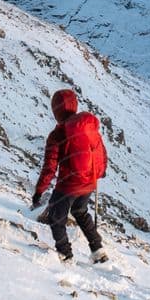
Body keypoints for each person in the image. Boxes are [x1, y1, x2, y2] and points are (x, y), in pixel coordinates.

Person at [32, 87, 109, 263]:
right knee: (80, 211)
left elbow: (49, 168)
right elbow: (100, 152)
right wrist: (97, 174)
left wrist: (39, 191)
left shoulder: (57, 135)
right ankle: (98, 249)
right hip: (89, 182)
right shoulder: (89, 127)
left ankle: (64, 255)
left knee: (55, 217)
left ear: (56, 111)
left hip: (68, 185)